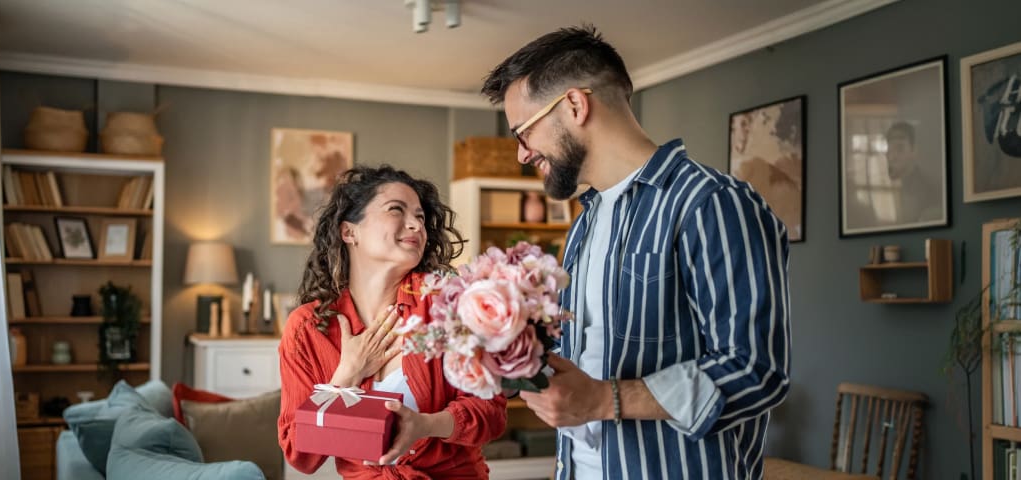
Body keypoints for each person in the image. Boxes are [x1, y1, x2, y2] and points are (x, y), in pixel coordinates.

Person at [481, 25, 791, 479]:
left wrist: (606, 400)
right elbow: (585, 366)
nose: (523, 155)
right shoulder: (585, 223)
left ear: (574, 105)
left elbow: (756, 370)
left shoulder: (711, 203)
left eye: (523, 133)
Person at [277, 165, 507, 479]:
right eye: (396, 210)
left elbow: (492, 413)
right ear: (349, 232)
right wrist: (346, 376)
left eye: (421, 217)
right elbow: (300, 456)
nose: (415, 224)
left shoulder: (449, 304)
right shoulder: (307, 328)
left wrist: (426, 425)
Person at [884, 121, 942, 225]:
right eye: (889, 149)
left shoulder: (930, 188)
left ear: (914, 150)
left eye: (899, 148)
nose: (892, 156)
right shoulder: (887, 187)